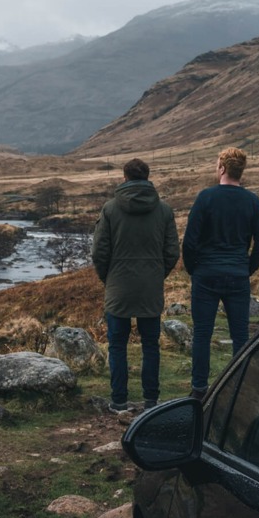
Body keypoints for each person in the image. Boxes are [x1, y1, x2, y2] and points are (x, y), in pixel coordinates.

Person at [92, 158, 179, 413]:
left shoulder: (109, 209)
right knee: (150, 344)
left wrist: (107, 278)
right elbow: (172, 251)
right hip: (150, 287)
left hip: (118, 286)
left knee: (117, 344)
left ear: (124, 178)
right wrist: (157, 274)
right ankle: (151, 401)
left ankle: (118, 401)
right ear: (148, 177)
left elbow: (99, 252)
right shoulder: (164, 210)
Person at [182, 146, 259, 399]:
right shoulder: (252, 201)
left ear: (221, 168)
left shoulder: (205, 198)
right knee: (240, 334)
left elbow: (189, 242)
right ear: (241, 171)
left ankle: (199, 389)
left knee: (202, 333)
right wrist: (246, 269)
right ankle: (237, 387)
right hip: (237, 275)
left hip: (206, 274)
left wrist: (193, 269)